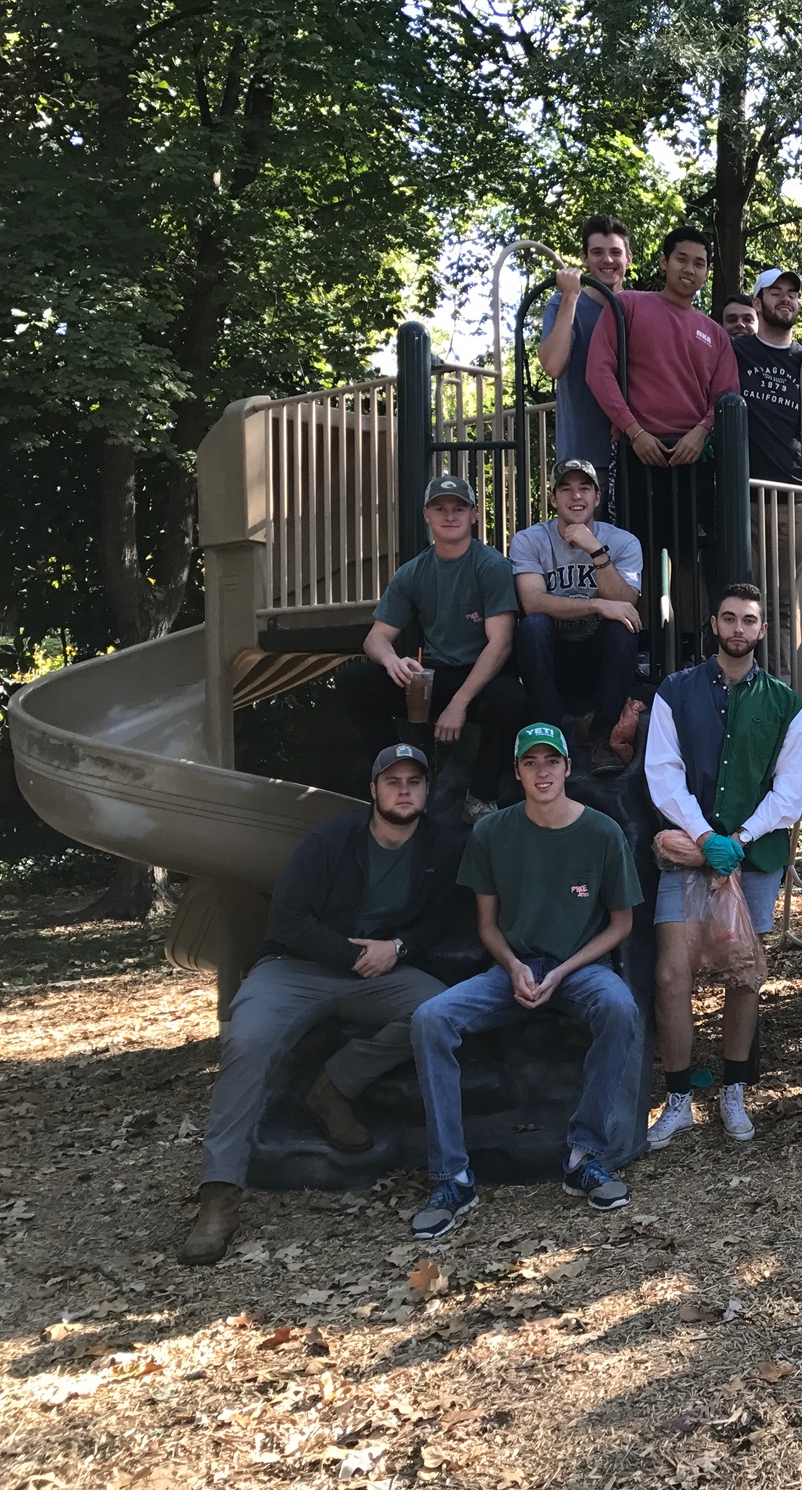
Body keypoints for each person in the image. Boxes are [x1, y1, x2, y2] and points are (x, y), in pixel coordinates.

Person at [179, 745, 467, 1264]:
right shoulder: (331, 840)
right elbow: (288, 918)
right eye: (393, 780)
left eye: (414, 781)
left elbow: (440, 920)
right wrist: (347, 955)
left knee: (439, 1010)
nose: (404, 790)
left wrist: (398, 949)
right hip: (298, 967)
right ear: (374, 789)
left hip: (380, 970)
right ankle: (219, 1193)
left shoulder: (440, 848)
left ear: (426, 791)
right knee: (247, 1039)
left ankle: (334, 1085)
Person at [407, 724, 645, 1238]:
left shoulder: (602, 832)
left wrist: (563, 970)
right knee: (431, 1019)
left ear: (567, 768)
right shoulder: (492, 833)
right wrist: (514, 966)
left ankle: (585, 1155)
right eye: (531, 762)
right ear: (516, 772)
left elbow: (621, 924)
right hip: (512, 968)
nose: (543, 771)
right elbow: (487, 924)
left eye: (551, 761)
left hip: (580, 968)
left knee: (620, 1007)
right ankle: (453, 1176)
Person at [644, 584, 802, 1146]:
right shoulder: (675, 691)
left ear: (762, 630)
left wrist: (738, 838)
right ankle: (679, 1098)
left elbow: (791, 789)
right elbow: (662, 772)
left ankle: (735, 1092)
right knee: (672, 975)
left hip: (755, 857)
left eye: (750, 620)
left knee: (744, 976)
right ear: (714, 624)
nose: (739, 628)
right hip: (690, 854)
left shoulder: (787, 702)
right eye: (730, 618)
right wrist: (704, 836)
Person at [338, 475, 526, 814]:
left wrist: (459, 703)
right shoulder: (412, 572)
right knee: (355, 681)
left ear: (473, 516)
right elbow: (375, 638)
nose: (449, 516)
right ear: (427, 514)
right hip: (433, 676)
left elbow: (501, 644)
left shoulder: (492, 566)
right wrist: (392, 661)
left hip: (479, 678)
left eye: (458, 508)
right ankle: (397, 773)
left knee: (510, 697)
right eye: (440, 508)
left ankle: (482, 794)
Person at [583, 226, 740, 512]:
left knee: (691, 553)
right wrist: (635, 432)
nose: (690, 269)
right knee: (631, 551)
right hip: (635, 452)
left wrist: (701, 433)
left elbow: (727, 397)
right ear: (664, 261)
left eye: (699, 263)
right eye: (681, 259)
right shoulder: (627, 305)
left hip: (695, 457)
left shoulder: (716, 334)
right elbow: (598, 371)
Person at [508, 461, 643, 776]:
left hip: (600, 661)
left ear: (597, 497)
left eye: (584, 488)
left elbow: (626, 603)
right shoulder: (529, 540)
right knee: (533, 626)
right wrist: (597, 605)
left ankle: (602, 737)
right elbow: (532, 602)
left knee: (622, 627)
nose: (576, 496)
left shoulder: (624, 542)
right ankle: (550, 735)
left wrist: (595, 550)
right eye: (565, 489)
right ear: (553, 499)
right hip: (553, 659)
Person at [537, 215, 632, 484]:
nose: (607, 260)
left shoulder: (638, 308)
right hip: (584, 457)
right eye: (597, 252)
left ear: (629, 259)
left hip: (635, 450)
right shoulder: (563, 304)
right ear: (585, 258)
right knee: (583, 527)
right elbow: (553, 365)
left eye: (615, 252)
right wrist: (570, 297)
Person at [733, 268, 802, 489]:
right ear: (757, 304)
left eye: (792, 294)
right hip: (739, 495)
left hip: (794, 497)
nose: (786, 298)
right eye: (775, 293)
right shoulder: (734, 353)